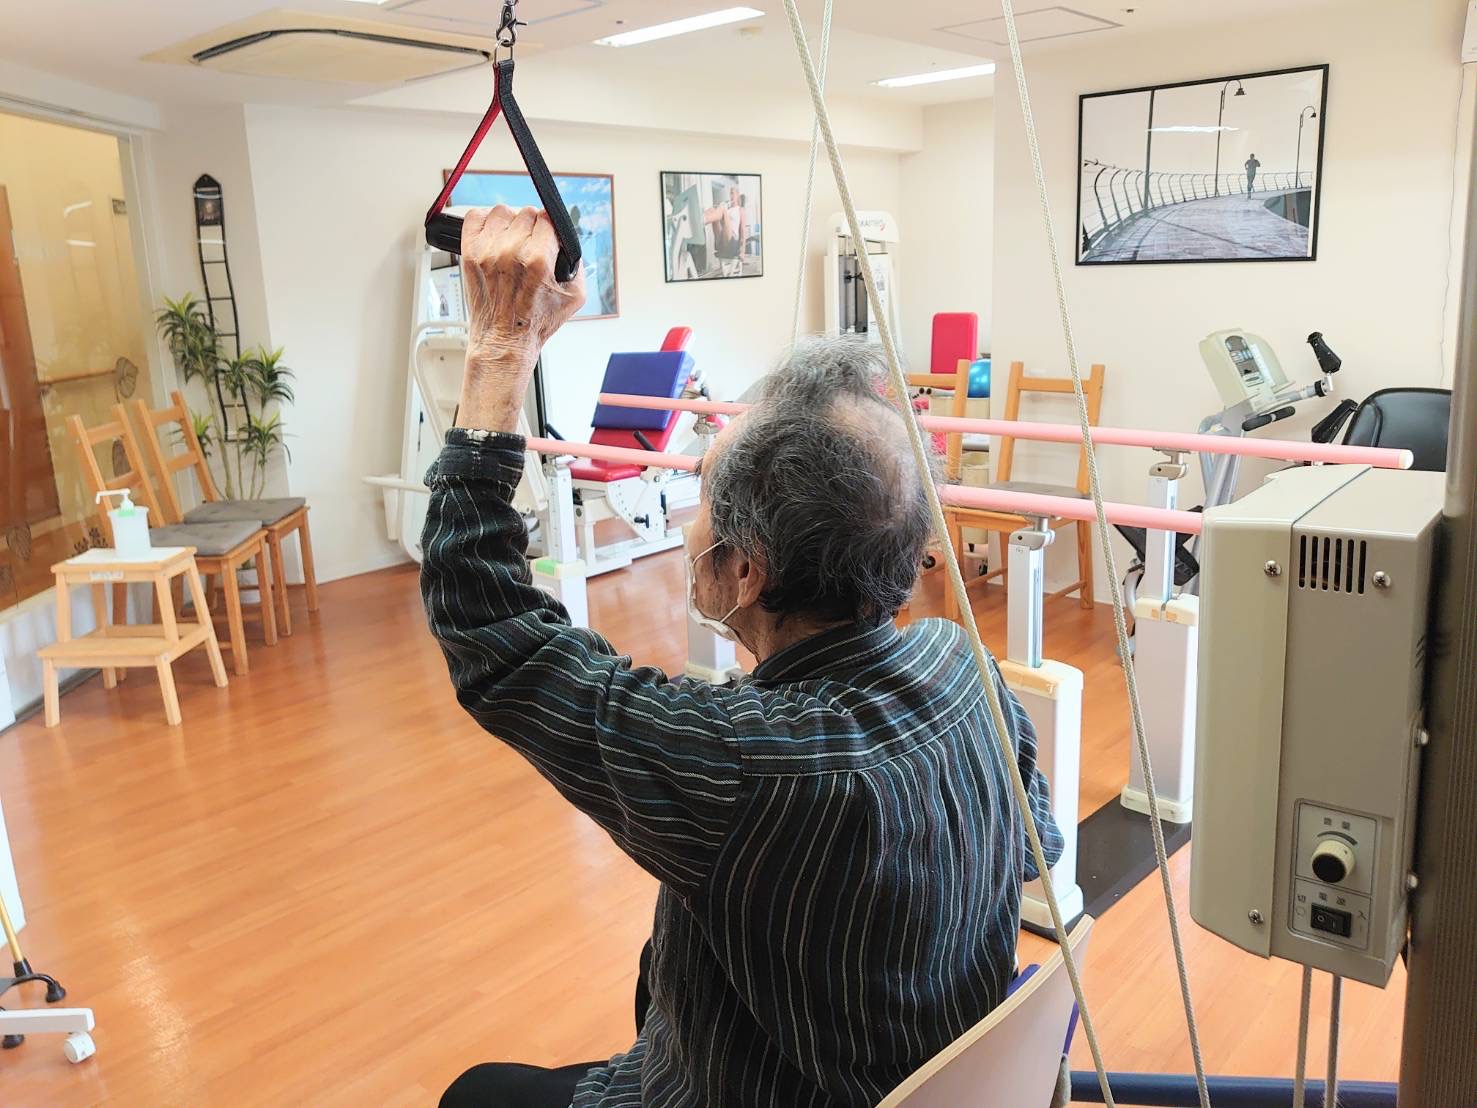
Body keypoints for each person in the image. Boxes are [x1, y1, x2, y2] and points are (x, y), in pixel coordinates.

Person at [423, 204, 1063, 1107]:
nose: (689, 524)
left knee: (478, 1092)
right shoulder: (959, 665)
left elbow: (492, 633)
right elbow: (1036, 844)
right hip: (928, 1084)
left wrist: (498, 354)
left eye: (701, 497)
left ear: (744, 569)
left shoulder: (740, 760)